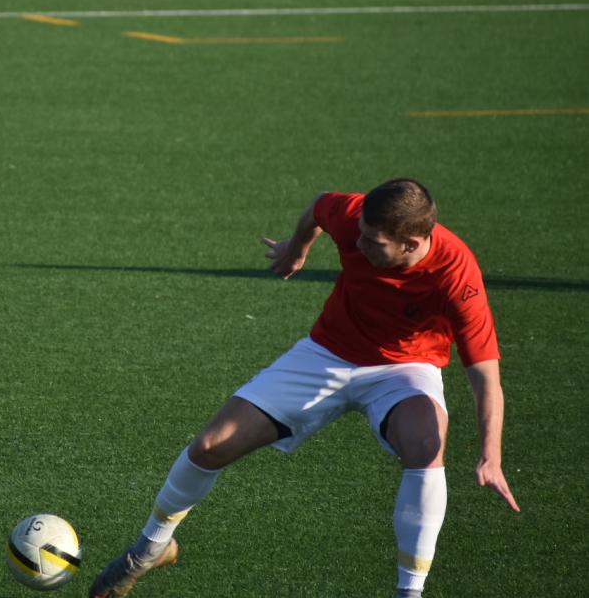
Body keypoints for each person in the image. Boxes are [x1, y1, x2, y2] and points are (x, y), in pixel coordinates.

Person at [89, 178, 520, 598]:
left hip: (404, 368)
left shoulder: (457, 276)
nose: (360, 244)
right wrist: (297, 248)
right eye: (361, 234)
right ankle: (148, 550)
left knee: (426, 444)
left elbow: (485, 374)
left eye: (375, 242)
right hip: (326, 352)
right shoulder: (355, 218)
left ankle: (410, 591)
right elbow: (319, 206)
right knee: (209, 446)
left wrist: (491, 454)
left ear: (411, 244)